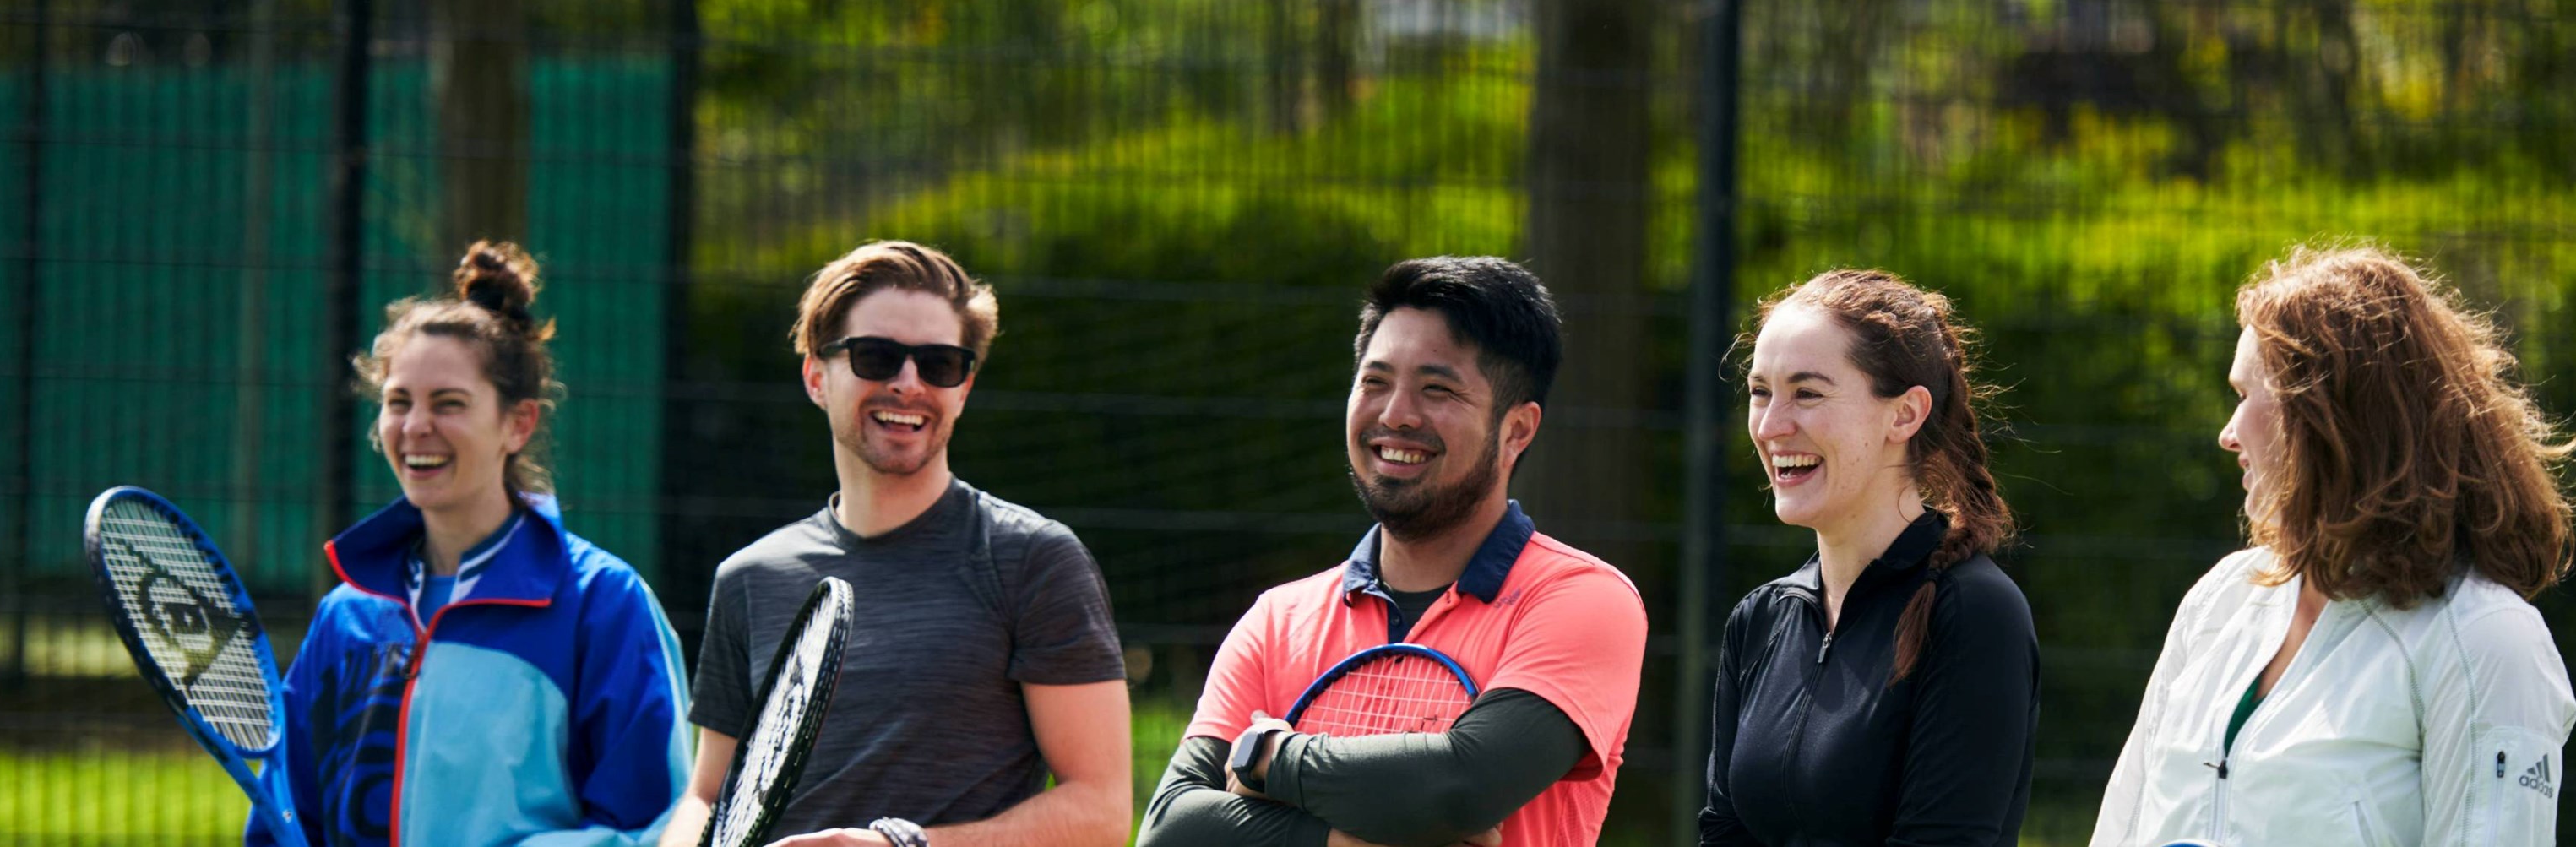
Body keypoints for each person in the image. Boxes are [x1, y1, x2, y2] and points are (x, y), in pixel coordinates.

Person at [1138, 256, 1648, 847]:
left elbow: (1461, 786)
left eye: (1437, 389)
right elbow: (1170, 829)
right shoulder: (1278, 620)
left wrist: (1267, 757)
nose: (1396, 414)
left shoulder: (1583, 600)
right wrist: (1347, 841)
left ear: (1517, 430)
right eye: (1374, 382)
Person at [2090, 245, 2576, 847]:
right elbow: (2122, 826)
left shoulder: (2488, 640)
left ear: (2325, 416)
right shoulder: (2217, 599)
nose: (2227, 434)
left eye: (2245, 395)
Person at [656, 242, 1129, 847]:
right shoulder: (749, 576)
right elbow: (710, 795)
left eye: (940, 364)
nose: (909, 383)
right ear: (816, 376)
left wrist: (902, 845)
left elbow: (1102, 812)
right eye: (876, 356)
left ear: (964, 388)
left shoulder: (1033, 559)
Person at [248, 242, 693, 847]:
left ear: (519, 423)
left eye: (449, 404)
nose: (416, 427)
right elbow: (284, 822)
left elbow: (657, 828)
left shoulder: (603, 603)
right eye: (398, 402)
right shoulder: (346, 616)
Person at [1698, 269, 2039, 847]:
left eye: (1807, 392)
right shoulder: (1760, 619)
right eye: (1760, 391)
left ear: (1904, 414)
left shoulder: (1974, 613)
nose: (1772, 425)